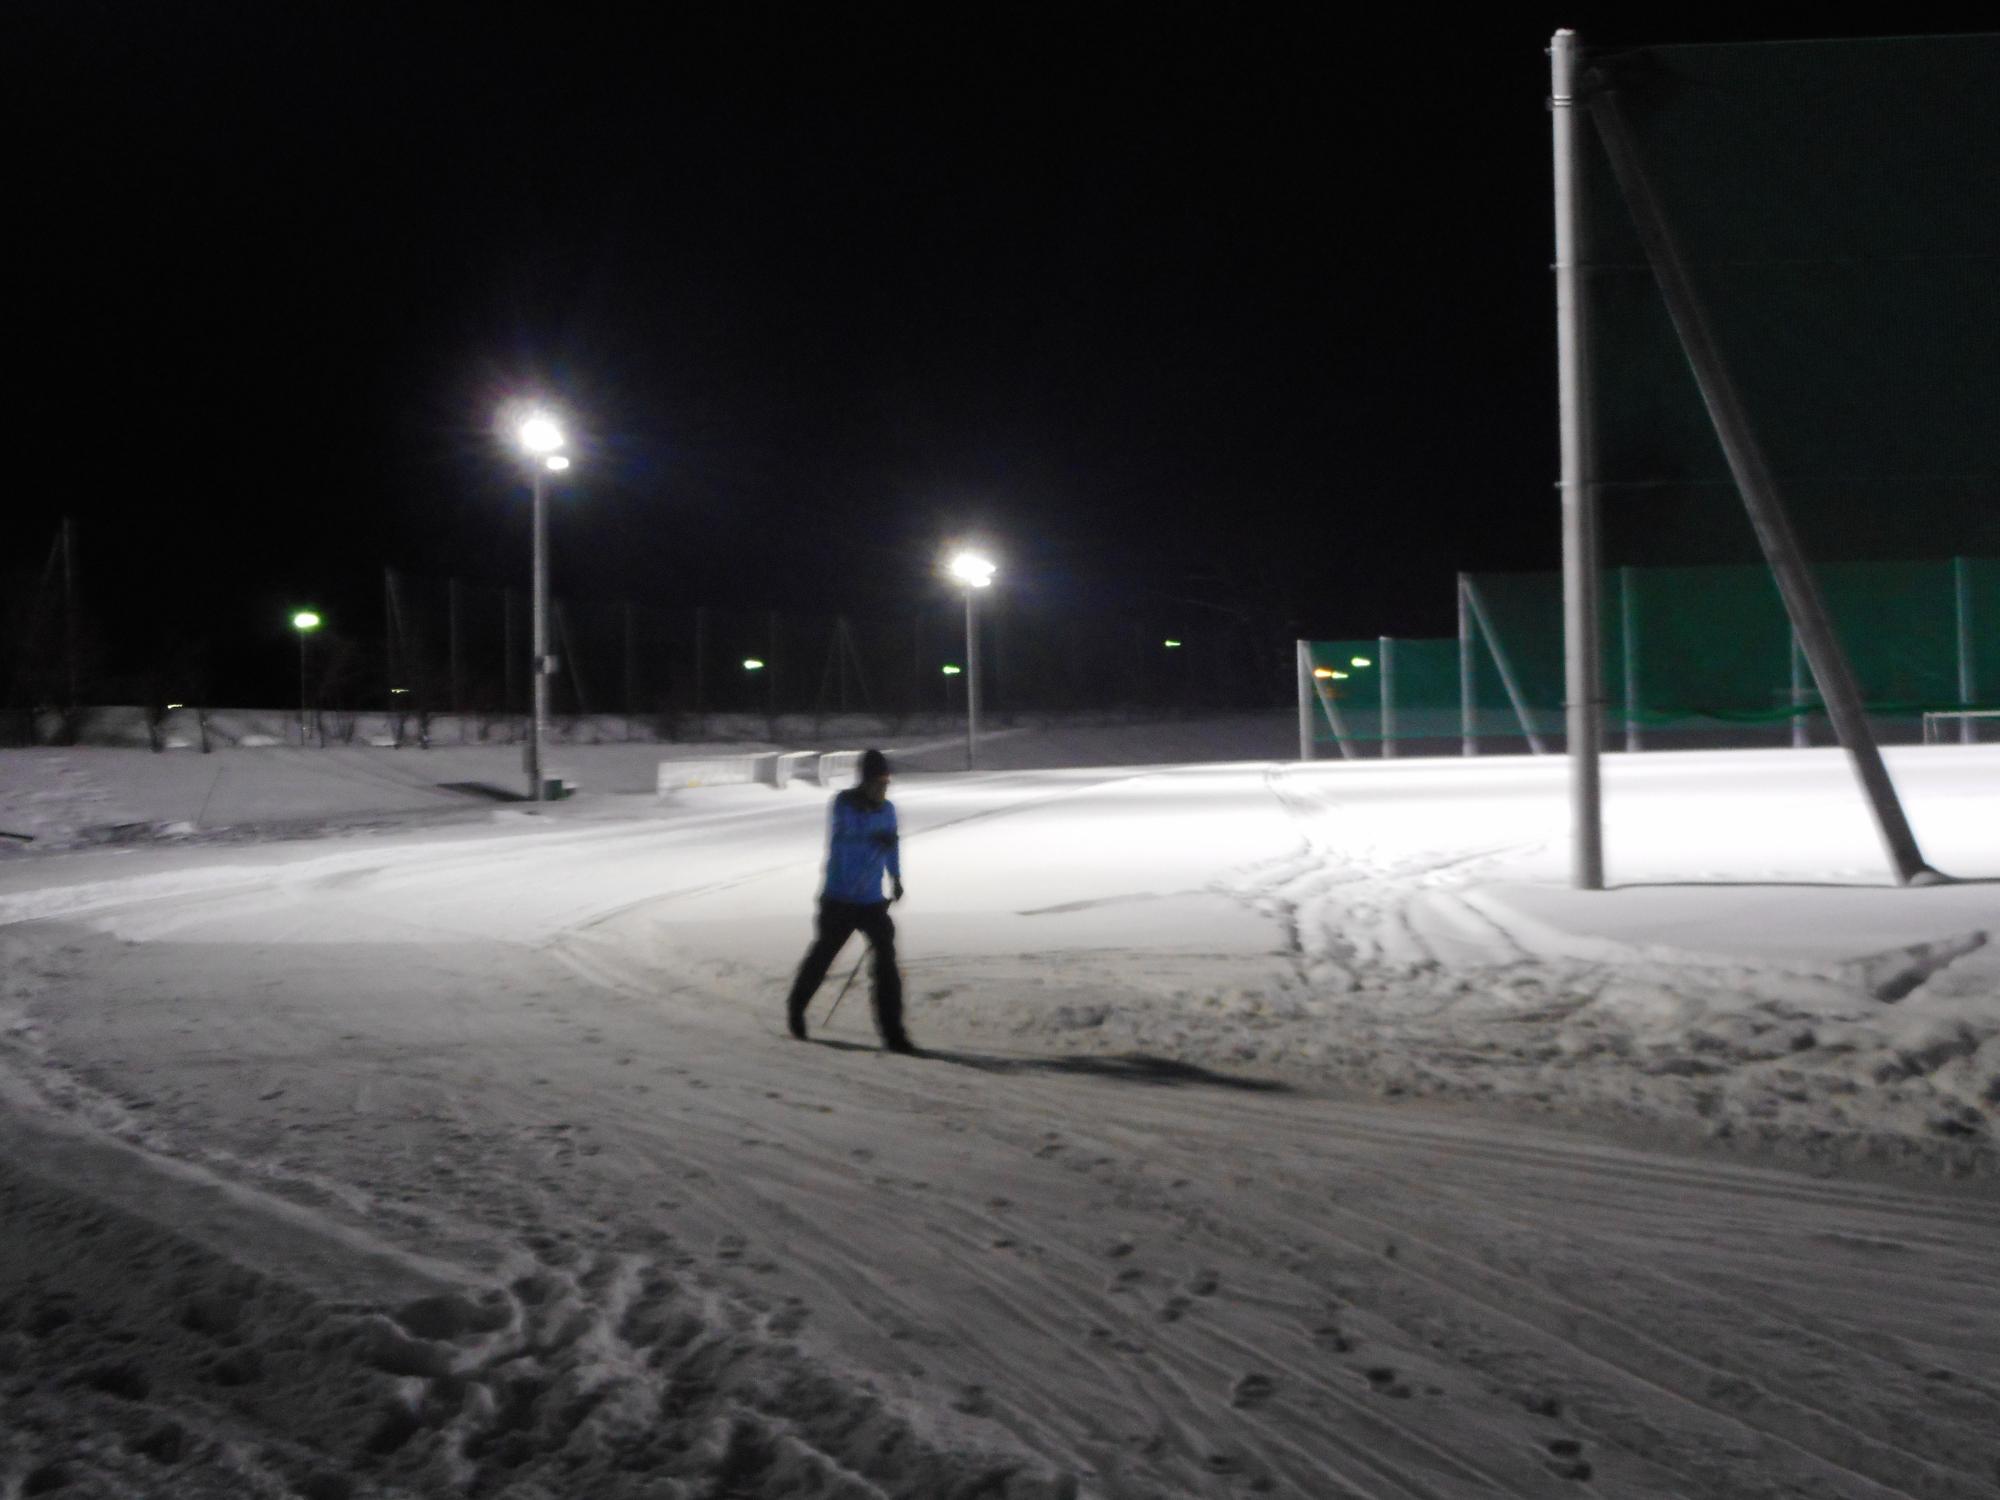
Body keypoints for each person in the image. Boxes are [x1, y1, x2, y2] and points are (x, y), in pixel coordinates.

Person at [785, 747, 913, 1051]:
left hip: (870, 901)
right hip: (838, 900)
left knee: (886, 962)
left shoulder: (888, 810)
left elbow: (891, 847)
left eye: (886, 783)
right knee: (823, 957)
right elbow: (846, 839)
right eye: (878, 783)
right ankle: (797, 1006)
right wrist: (874, 836)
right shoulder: (843, 804)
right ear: (864, 782)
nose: (883, 789)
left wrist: (895, 878)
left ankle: (893, 1032)